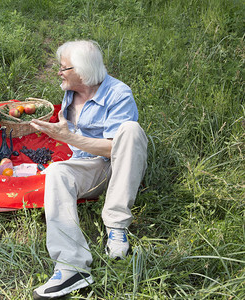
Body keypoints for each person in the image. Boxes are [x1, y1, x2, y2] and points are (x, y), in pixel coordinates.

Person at [29, 40, 148, 299]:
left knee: (130, 130)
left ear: (82, 71)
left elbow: (114, 150)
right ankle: (72, 268)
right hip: (91, 166)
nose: (59, 73)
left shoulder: (118, 94)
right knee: (57, 172)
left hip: (120, 166)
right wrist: (61, 133)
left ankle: (116, 226)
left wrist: (69, 138)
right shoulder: (70, 94)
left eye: (63, 68)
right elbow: (76, 141)